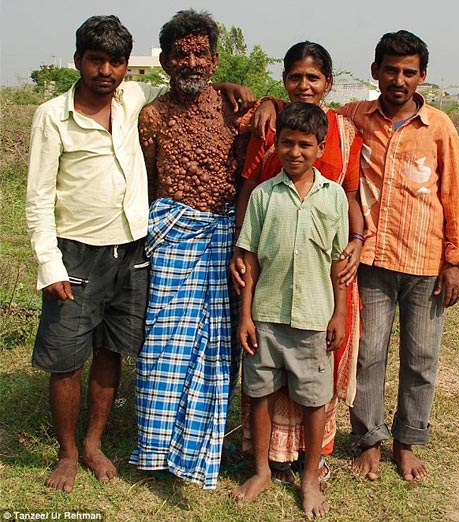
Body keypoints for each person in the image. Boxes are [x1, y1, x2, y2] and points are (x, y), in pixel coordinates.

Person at [25, 14, 253, 494]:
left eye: (116, 62)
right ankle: (71, 453)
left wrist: (254, 96)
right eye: (96, 60)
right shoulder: (109, 113)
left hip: (137, 249)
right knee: (78, 356)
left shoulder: (160, 103)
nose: (105, 71)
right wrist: (49, 262)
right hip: (88, 249)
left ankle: (99, 443)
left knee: (122, 348)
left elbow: (235, 153)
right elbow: (41, 197)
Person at [244, 30, 459, 483]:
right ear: (375, 72)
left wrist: (456, 259)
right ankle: (369, 440)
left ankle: (406, 442)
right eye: (390, 70)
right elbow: (303, 110)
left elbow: (454, 193)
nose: (398, 79)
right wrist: (268, 101)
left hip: (424, 259)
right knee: (367, 356)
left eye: (409, 72)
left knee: (421, 357)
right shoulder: (356, 117)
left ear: (422, 76)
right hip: (371, 260)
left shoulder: (438, 126)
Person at [230, 41, 363, 485]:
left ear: (328, 82)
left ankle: (310, 464)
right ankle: (267, 464)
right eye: (295, 77)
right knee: (263, 384)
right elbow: (249, 185)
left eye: (313, 77)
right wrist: (239, 248)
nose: (304, 85)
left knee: (313, 386)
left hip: (317, 291)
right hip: (269, 286)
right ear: (284, 79)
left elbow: (351, 197)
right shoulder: (267, 126)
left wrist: (357, 241)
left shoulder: (344, 132)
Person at [129, 9, 248, 490]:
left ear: (215, 60)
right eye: (181, 54)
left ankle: (203, 448)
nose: (191, 63)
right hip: (172, 240)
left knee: (218, 350)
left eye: (201, 54)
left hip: (222, 242)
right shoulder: (152, 116)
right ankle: (157, 448)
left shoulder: (234, 109)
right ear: (165, 62)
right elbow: (147, 181)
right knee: (162, 346)